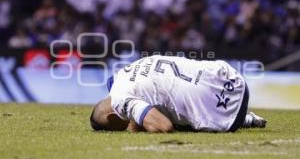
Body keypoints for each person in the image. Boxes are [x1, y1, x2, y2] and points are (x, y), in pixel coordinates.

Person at [90, 55, 266, 132]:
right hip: (232, 77)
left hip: (226, 112)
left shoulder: (120, 101)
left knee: (164, 116)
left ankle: (244, 119)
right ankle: (248, 119)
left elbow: (164, 126)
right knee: (166, 99)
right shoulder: (121, 76)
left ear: (112, 117)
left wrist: (135, 127)